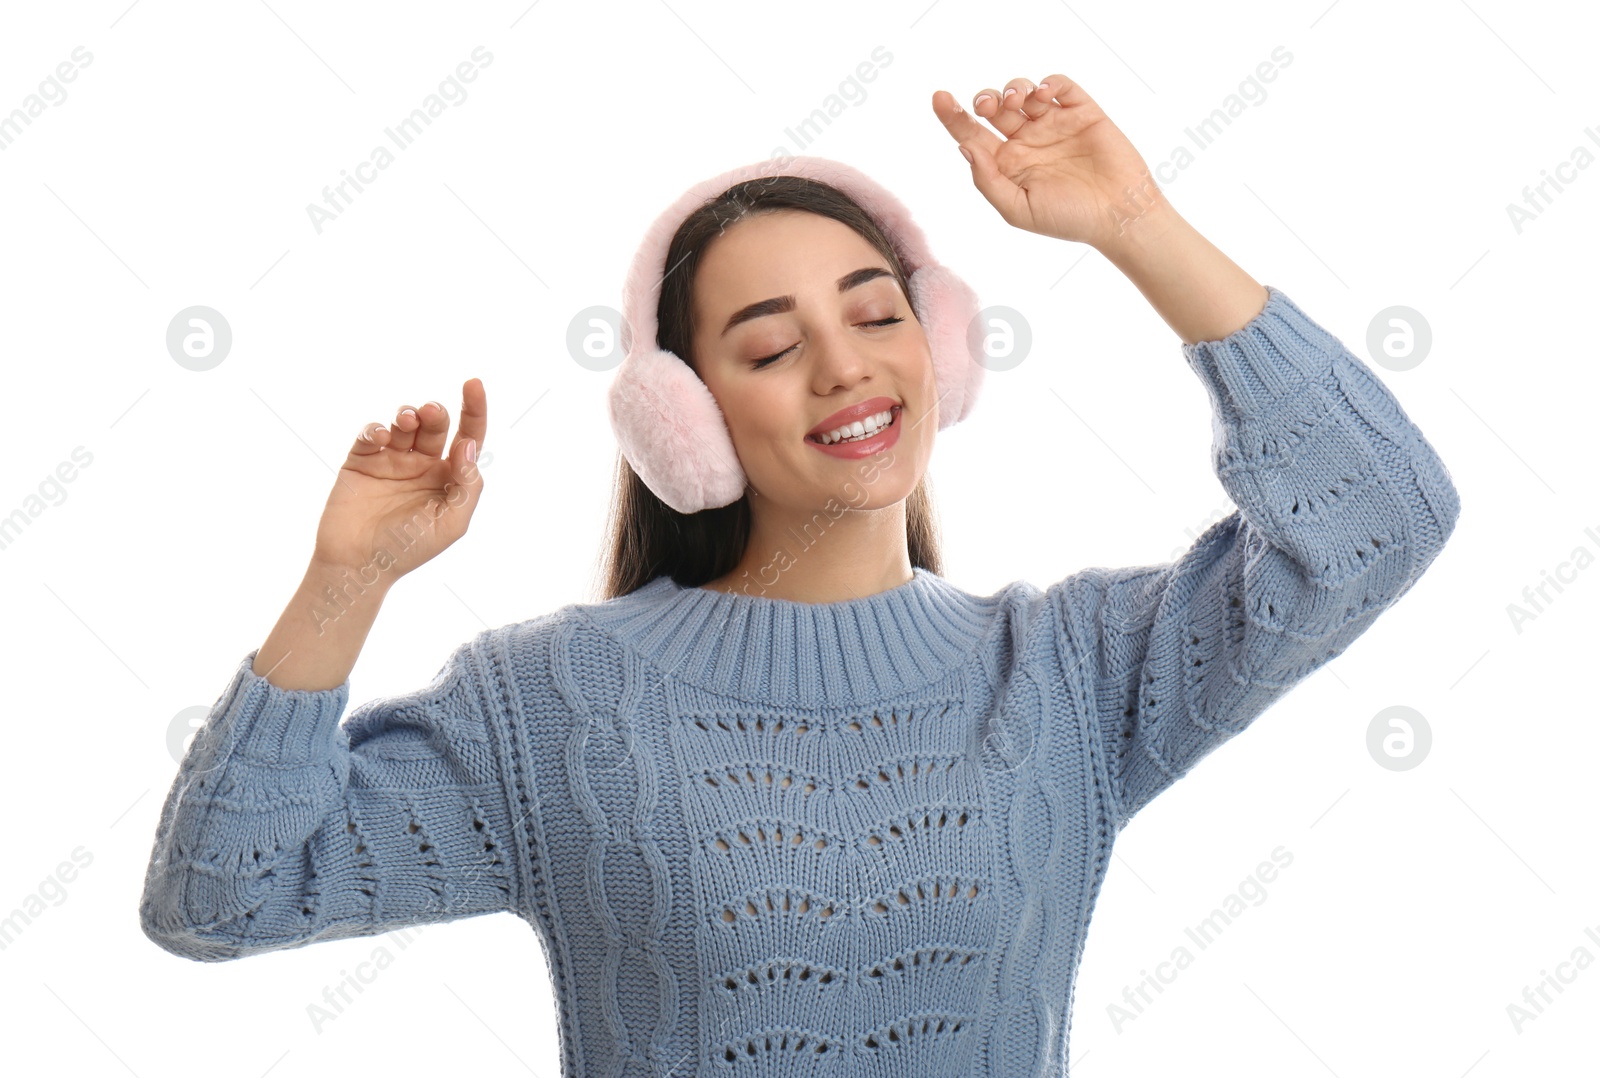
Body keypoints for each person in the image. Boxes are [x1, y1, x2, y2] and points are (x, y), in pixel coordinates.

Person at [138, 73, 1461, 1076]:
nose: (845, 367)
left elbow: (1379, 518)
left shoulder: (1070, 673)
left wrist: (1135, 224)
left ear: (943, 347)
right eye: (772, 347)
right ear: (685, 418)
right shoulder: (550, 704)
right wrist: (345, 582)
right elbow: (218, 896)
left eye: (880, 314)